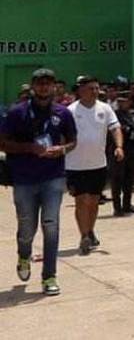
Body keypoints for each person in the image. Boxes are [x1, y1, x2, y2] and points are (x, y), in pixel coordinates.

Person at [0, 67, 78, 295]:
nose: (44, 87)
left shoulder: (62, 113)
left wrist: (62, 149)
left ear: (54, 86)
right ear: (33, 86)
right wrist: (28, 148)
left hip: (52, 177)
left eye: (48, 83)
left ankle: (49, 276)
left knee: (51, 225)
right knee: (26, 227)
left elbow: (73, 141)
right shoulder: (17, 113)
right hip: (24, 178)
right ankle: (24, 255)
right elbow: (2, 143)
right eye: (40, 83)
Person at [65, 76, 122, 256]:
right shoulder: (71, 111)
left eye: (97, 88)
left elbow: (115, 128)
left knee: (94, 202)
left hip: (98, 164)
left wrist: (119, 146)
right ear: (80, 90)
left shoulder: (105, 109)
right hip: (75, 165)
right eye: (91, 88)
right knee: (81, 200)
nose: (95, 92)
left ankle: (90, 230)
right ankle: (84, 236)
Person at [110, 92, 134, 216]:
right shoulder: (113, 116)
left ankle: (127, 204)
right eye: (120, 101)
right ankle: (117, 207)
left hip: (132, 149)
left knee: (129, 178)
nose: (122, 103)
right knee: (117, 179)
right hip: (118, 150)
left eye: (124, 101)